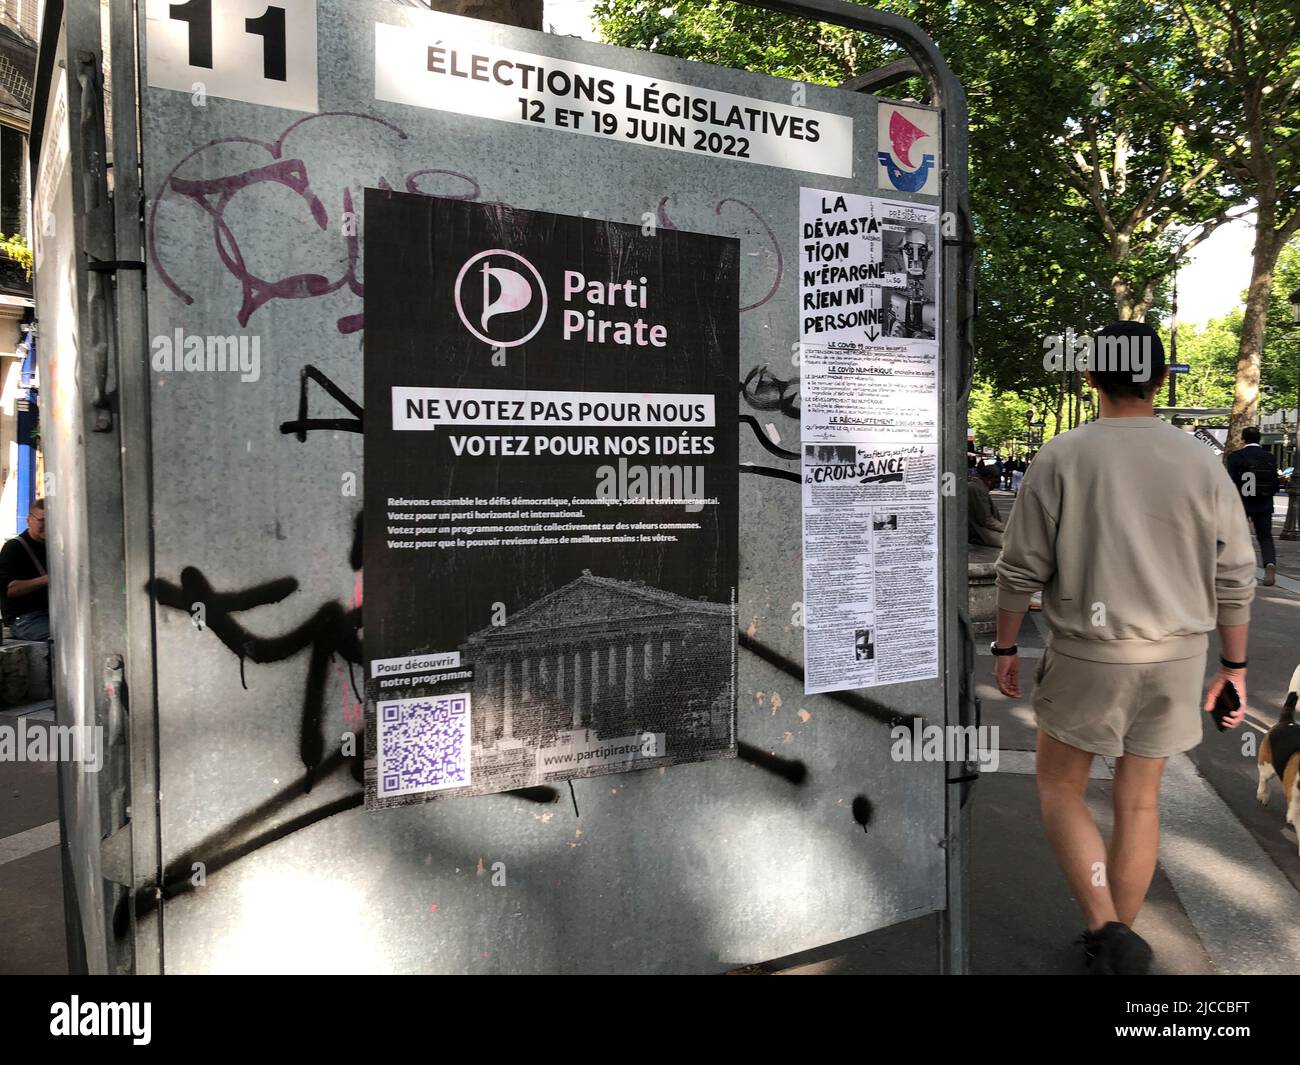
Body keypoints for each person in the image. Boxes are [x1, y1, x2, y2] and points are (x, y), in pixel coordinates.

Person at [992, 322, 1254, 975]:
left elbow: (1018, 570)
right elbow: (1235, 575)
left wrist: (1004, 645)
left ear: (1089, 377)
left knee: (1059, 783)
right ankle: (1118, 939)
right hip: (1179, 656)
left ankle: (1106, 926)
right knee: (1140, 799)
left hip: (1088, 653)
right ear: (1162, 379)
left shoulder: (1061, 455)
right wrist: (1235, 666)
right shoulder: (1203, 462)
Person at [1225, 426, 1279, 587]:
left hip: (1242, 502)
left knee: (1235, 536)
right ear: (1260, 439)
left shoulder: (1235, 457)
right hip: (1264, 503)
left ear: (1243, 438)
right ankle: (1269, 563)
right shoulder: (1269, 457)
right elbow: (1275, 483)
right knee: (1265, 537)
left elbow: (1230, 482)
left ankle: (1237, 569)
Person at [0, 499, 51, 641]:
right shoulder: (14, 548)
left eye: (52, 520)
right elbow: (8, 590)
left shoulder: (55, 546)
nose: (47, 526)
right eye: (42, 520)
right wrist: (46, 579)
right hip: (24, 620)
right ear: (29, 520)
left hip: (53, 615)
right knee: (65, 637)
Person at [968, 464, 1005, 547]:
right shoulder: (976, 489)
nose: (995, 486)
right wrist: (1005, 528)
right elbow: (986, 520)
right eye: (995, 482)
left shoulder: (977, 488)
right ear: (989, 478)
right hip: (979, 530)